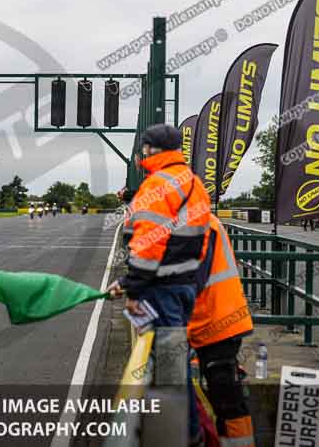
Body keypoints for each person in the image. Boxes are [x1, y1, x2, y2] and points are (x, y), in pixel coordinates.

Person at [108, 123, 211, 447]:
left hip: (161, 290)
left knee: (168, 370)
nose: (140, 156)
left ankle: (183, 435)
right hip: (185, 287)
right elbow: (201, 244)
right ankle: (187, 434)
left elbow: (148, 247)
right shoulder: (193, 184)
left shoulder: (158, 185)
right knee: (173, 366)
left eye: (144, 149)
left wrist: (133, 288)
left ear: (152, 150)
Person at [188, 213, 255, 447]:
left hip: (217, 322)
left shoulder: (193, 223)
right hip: (215, 320)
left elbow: (186, 280)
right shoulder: (200, 218)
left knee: (227, 400)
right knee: (226, 397)